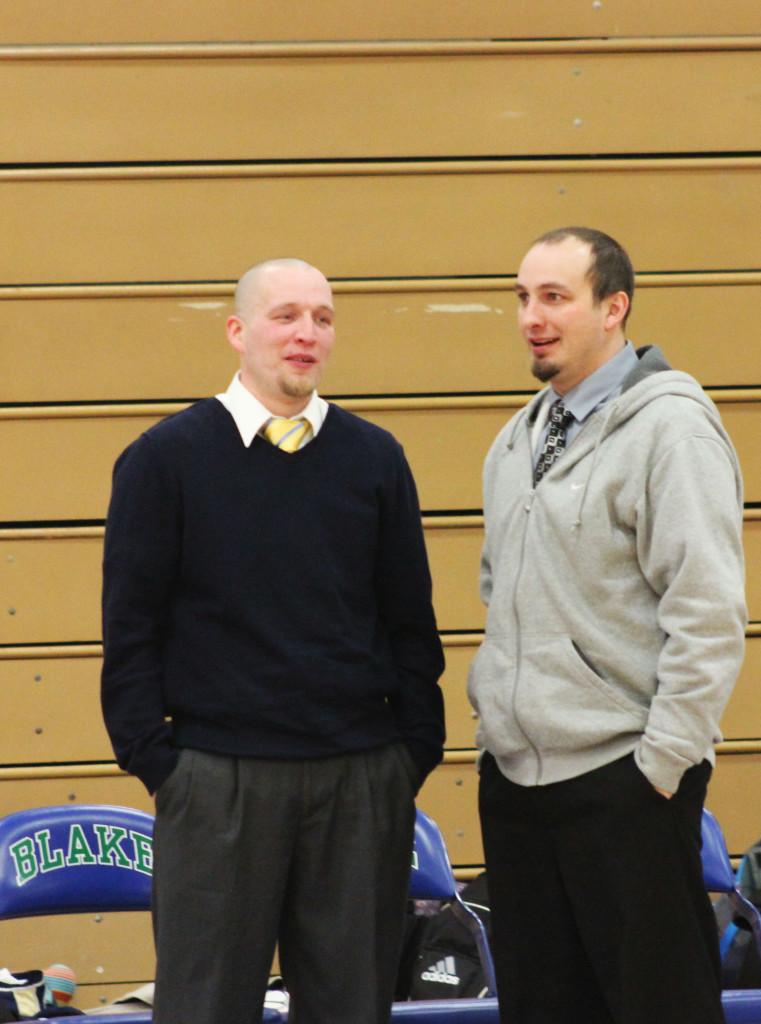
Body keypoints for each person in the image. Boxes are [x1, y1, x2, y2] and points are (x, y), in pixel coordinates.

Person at [101, 258, 445, 1024]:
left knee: (352, 1008)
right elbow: (130, 633)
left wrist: (407, 753)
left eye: (321, 318)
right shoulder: (165, 460)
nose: (305, 333)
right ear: (237, 331)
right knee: (205, 1008)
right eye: (285, 315)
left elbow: (409, 623)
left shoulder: (375, 458)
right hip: (218, 785)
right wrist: (163, 767)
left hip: (358, 782)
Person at [468, 227, 747, 1023]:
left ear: (613, 308)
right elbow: (503, 596)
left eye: (554, 297)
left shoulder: (671, 429)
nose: (531, 316)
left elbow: (707, 611)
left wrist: (659, 765)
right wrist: (494, 727)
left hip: (627, 786)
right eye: (522, 297)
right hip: (520, 788)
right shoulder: (516, 440)